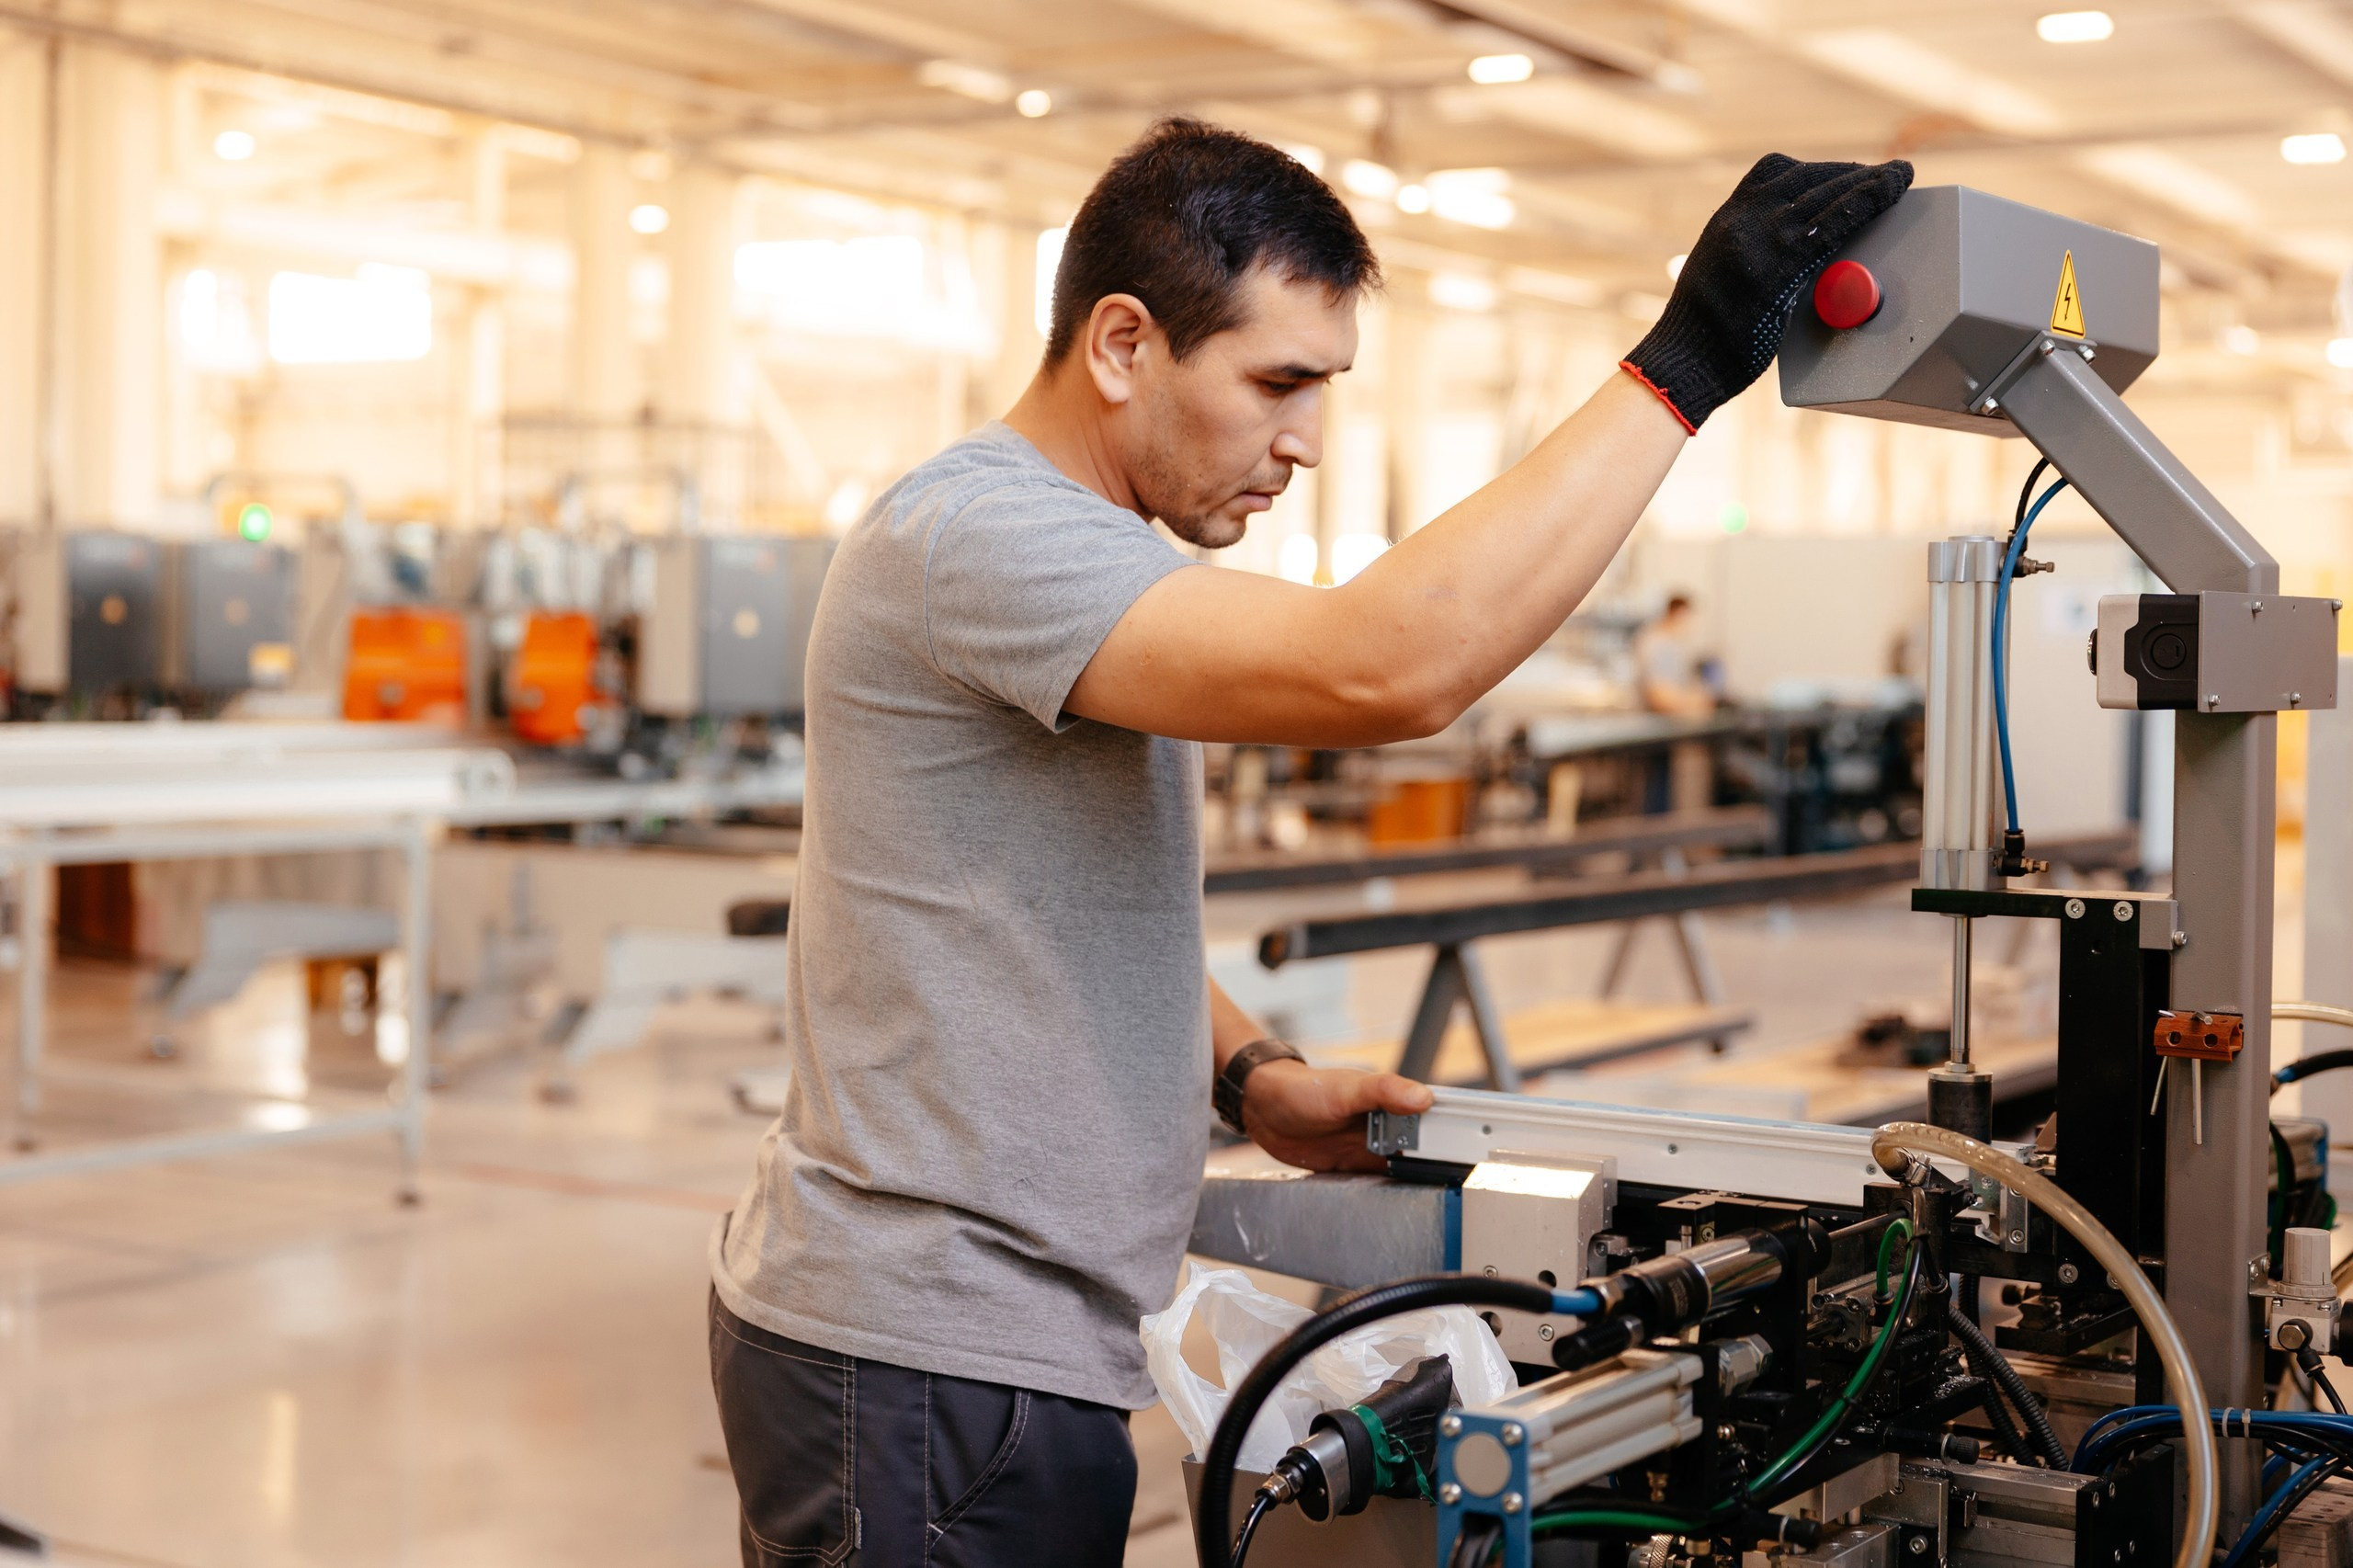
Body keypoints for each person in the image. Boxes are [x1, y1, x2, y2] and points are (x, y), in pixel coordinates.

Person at [708, 117, 1911, 1566]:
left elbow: (1032, 898)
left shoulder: (1083, 559)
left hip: (993, 1352)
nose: (1308, 443)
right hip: (926, 1359)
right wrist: (1691, 357)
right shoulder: (974, 536)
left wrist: (1249, 1074)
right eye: (1278, 381)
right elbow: (1385, 666)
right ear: (1122, 345)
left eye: (1327, 388)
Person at [1636, 592, 1717, 718]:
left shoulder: (1674, 644)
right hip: (1660, 722)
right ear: (1677, 614)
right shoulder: (1659, 645)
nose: (1690, 624)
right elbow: (1658, 696)